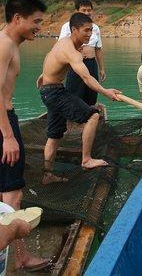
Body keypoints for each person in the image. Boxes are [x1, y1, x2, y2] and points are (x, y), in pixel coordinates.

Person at [37, 13, 121, 184]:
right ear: (73, 30)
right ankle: (86, 159)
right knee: (93, 116)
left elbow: (51, 58)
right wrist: (106, 92)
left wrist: (43, 76)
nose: (90, 34)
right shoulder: (70, 50)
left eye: (91, 30)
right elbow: (87, 78)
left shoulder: (65, 45)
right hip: (55, 92)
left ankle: (47, 174)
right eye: (86, 30)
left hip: (48, 90)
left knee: (54, 135)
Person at [0, 0, 50, 271]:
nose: (39, 27)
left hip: (4, 120)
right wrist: (7, 135)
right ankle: (19, 259)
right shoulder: (5, 45)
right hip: (3, 122)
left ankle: (16, 257)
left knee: (3, 193)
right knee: (12, 196)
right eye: (36, 22)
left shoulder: (10, 44)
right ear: (17, 18)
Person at [58, 0, 106, 106]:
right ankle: (75, 120)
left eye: (89, 10)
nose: (87, 13)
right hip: (75, 65)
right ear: (76, 11)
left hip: (91, 64)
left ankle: (89, 118)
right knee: (74, 94)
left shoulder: (95, 28)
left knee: (91, 94)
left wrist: (102, 69)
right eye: (83, 10)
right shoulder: (67, 26)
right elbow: (60, 47)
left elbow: (98, 49)